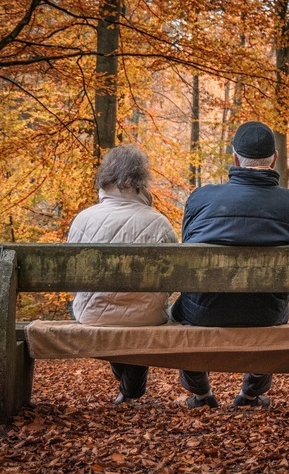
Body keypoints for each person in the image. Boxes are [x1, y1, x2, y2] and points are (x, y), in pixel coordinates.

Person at [170, 120, 289, 409]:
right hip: (266, 313)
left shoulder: (200, 199)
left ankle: (200, 395)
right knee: (270, 305)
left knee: (184, 306)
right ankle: (250, 395)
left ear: (235, 158)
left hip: (204, 312)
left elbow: (188, 252)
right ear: (274, 159)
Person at [69, 144, 178, 406]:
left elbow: (73, 279)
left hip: (91, 314)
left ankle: (130, 390)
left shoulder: (82, 220)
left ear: (105, 177)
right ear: (142, 181)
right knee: (138, 316)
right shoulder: (158, 222)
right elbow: (174, 281)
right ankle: (132, 389)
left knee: (115, 317)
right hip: (147, 316)